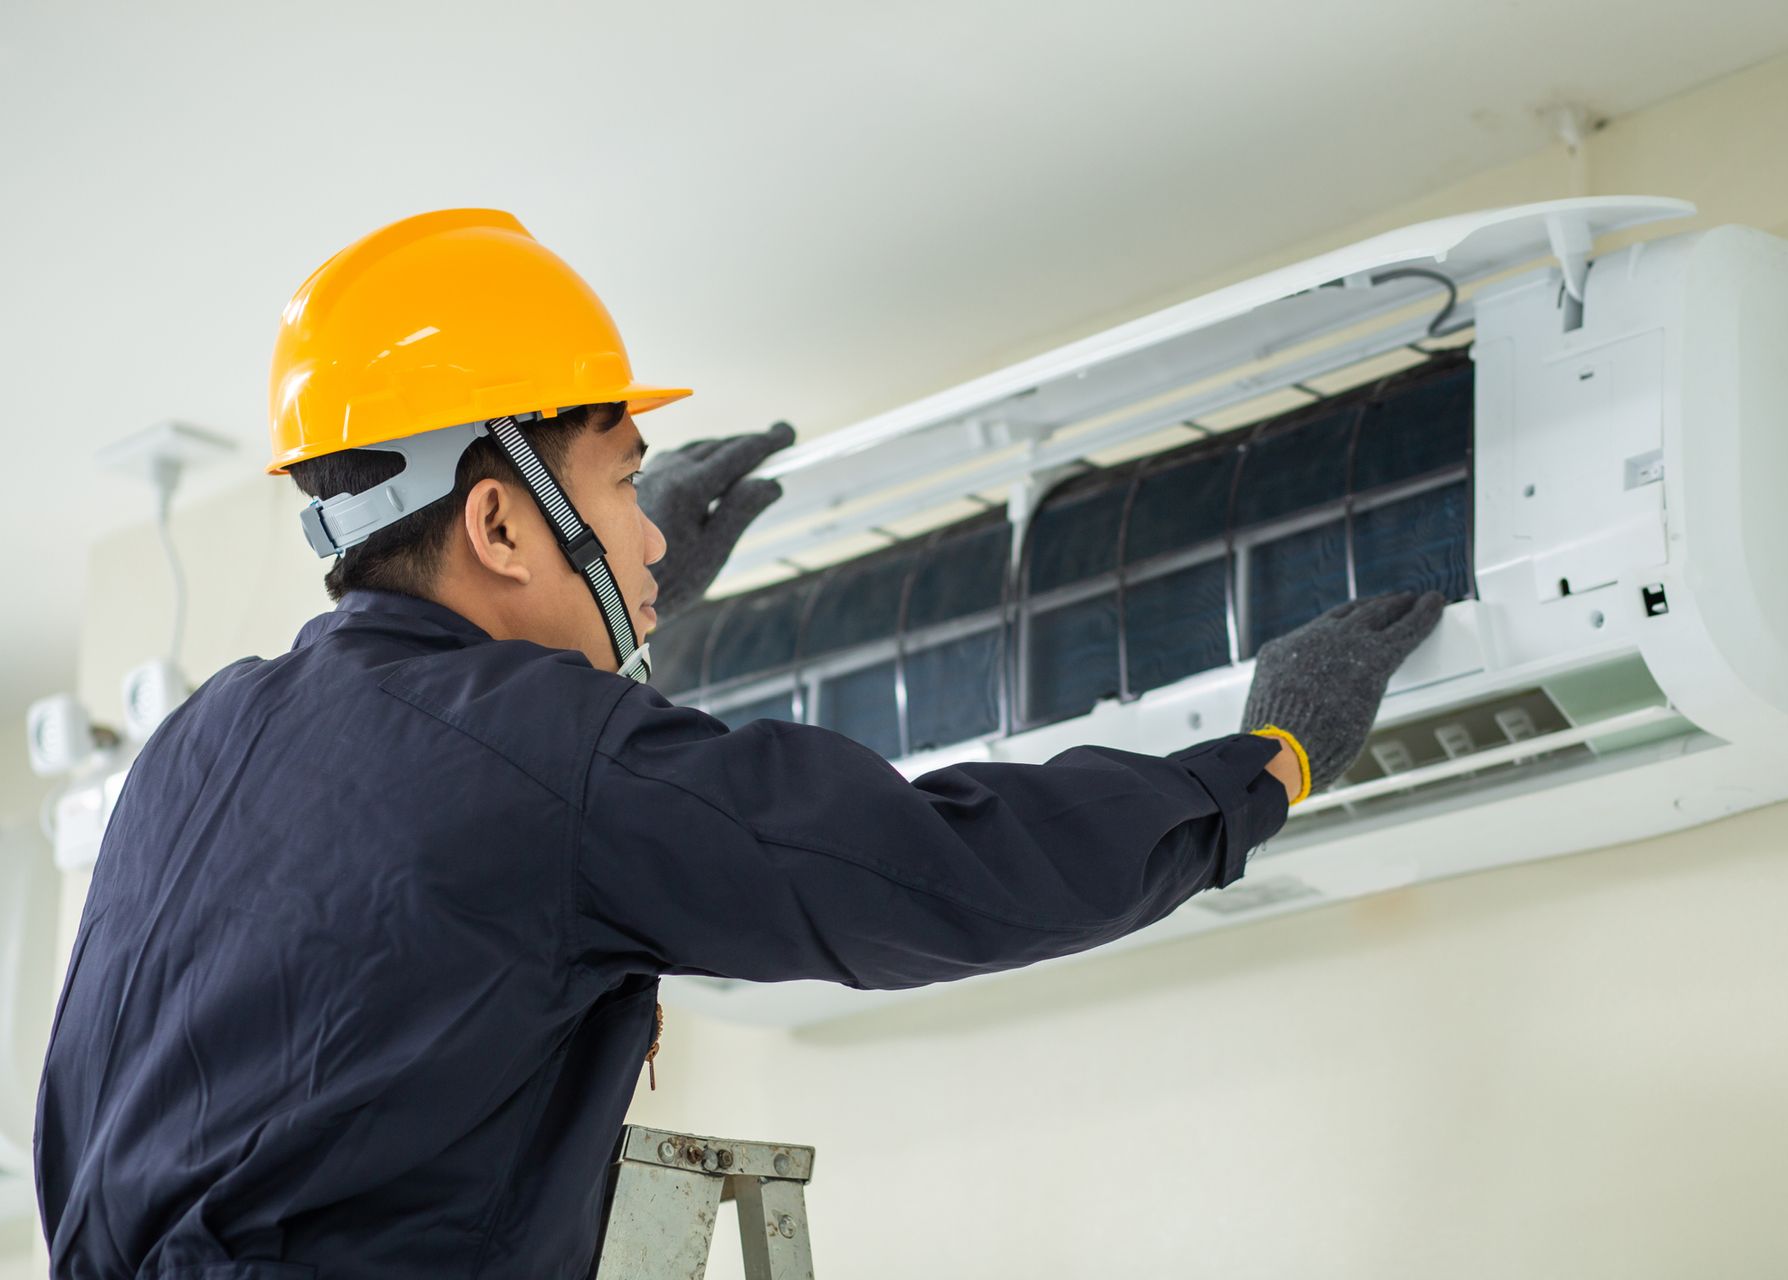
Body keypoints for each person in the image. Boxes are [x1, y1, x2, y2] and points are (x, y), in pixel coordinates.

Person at [35, 209, 1442, 1279]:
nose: (646, 532)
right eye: (623, 485)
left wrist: (623, 599)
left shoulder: (193, 748)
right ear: (501, 524)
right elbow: (937, 869)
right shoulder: (545, 763)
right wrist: (1258, 770)